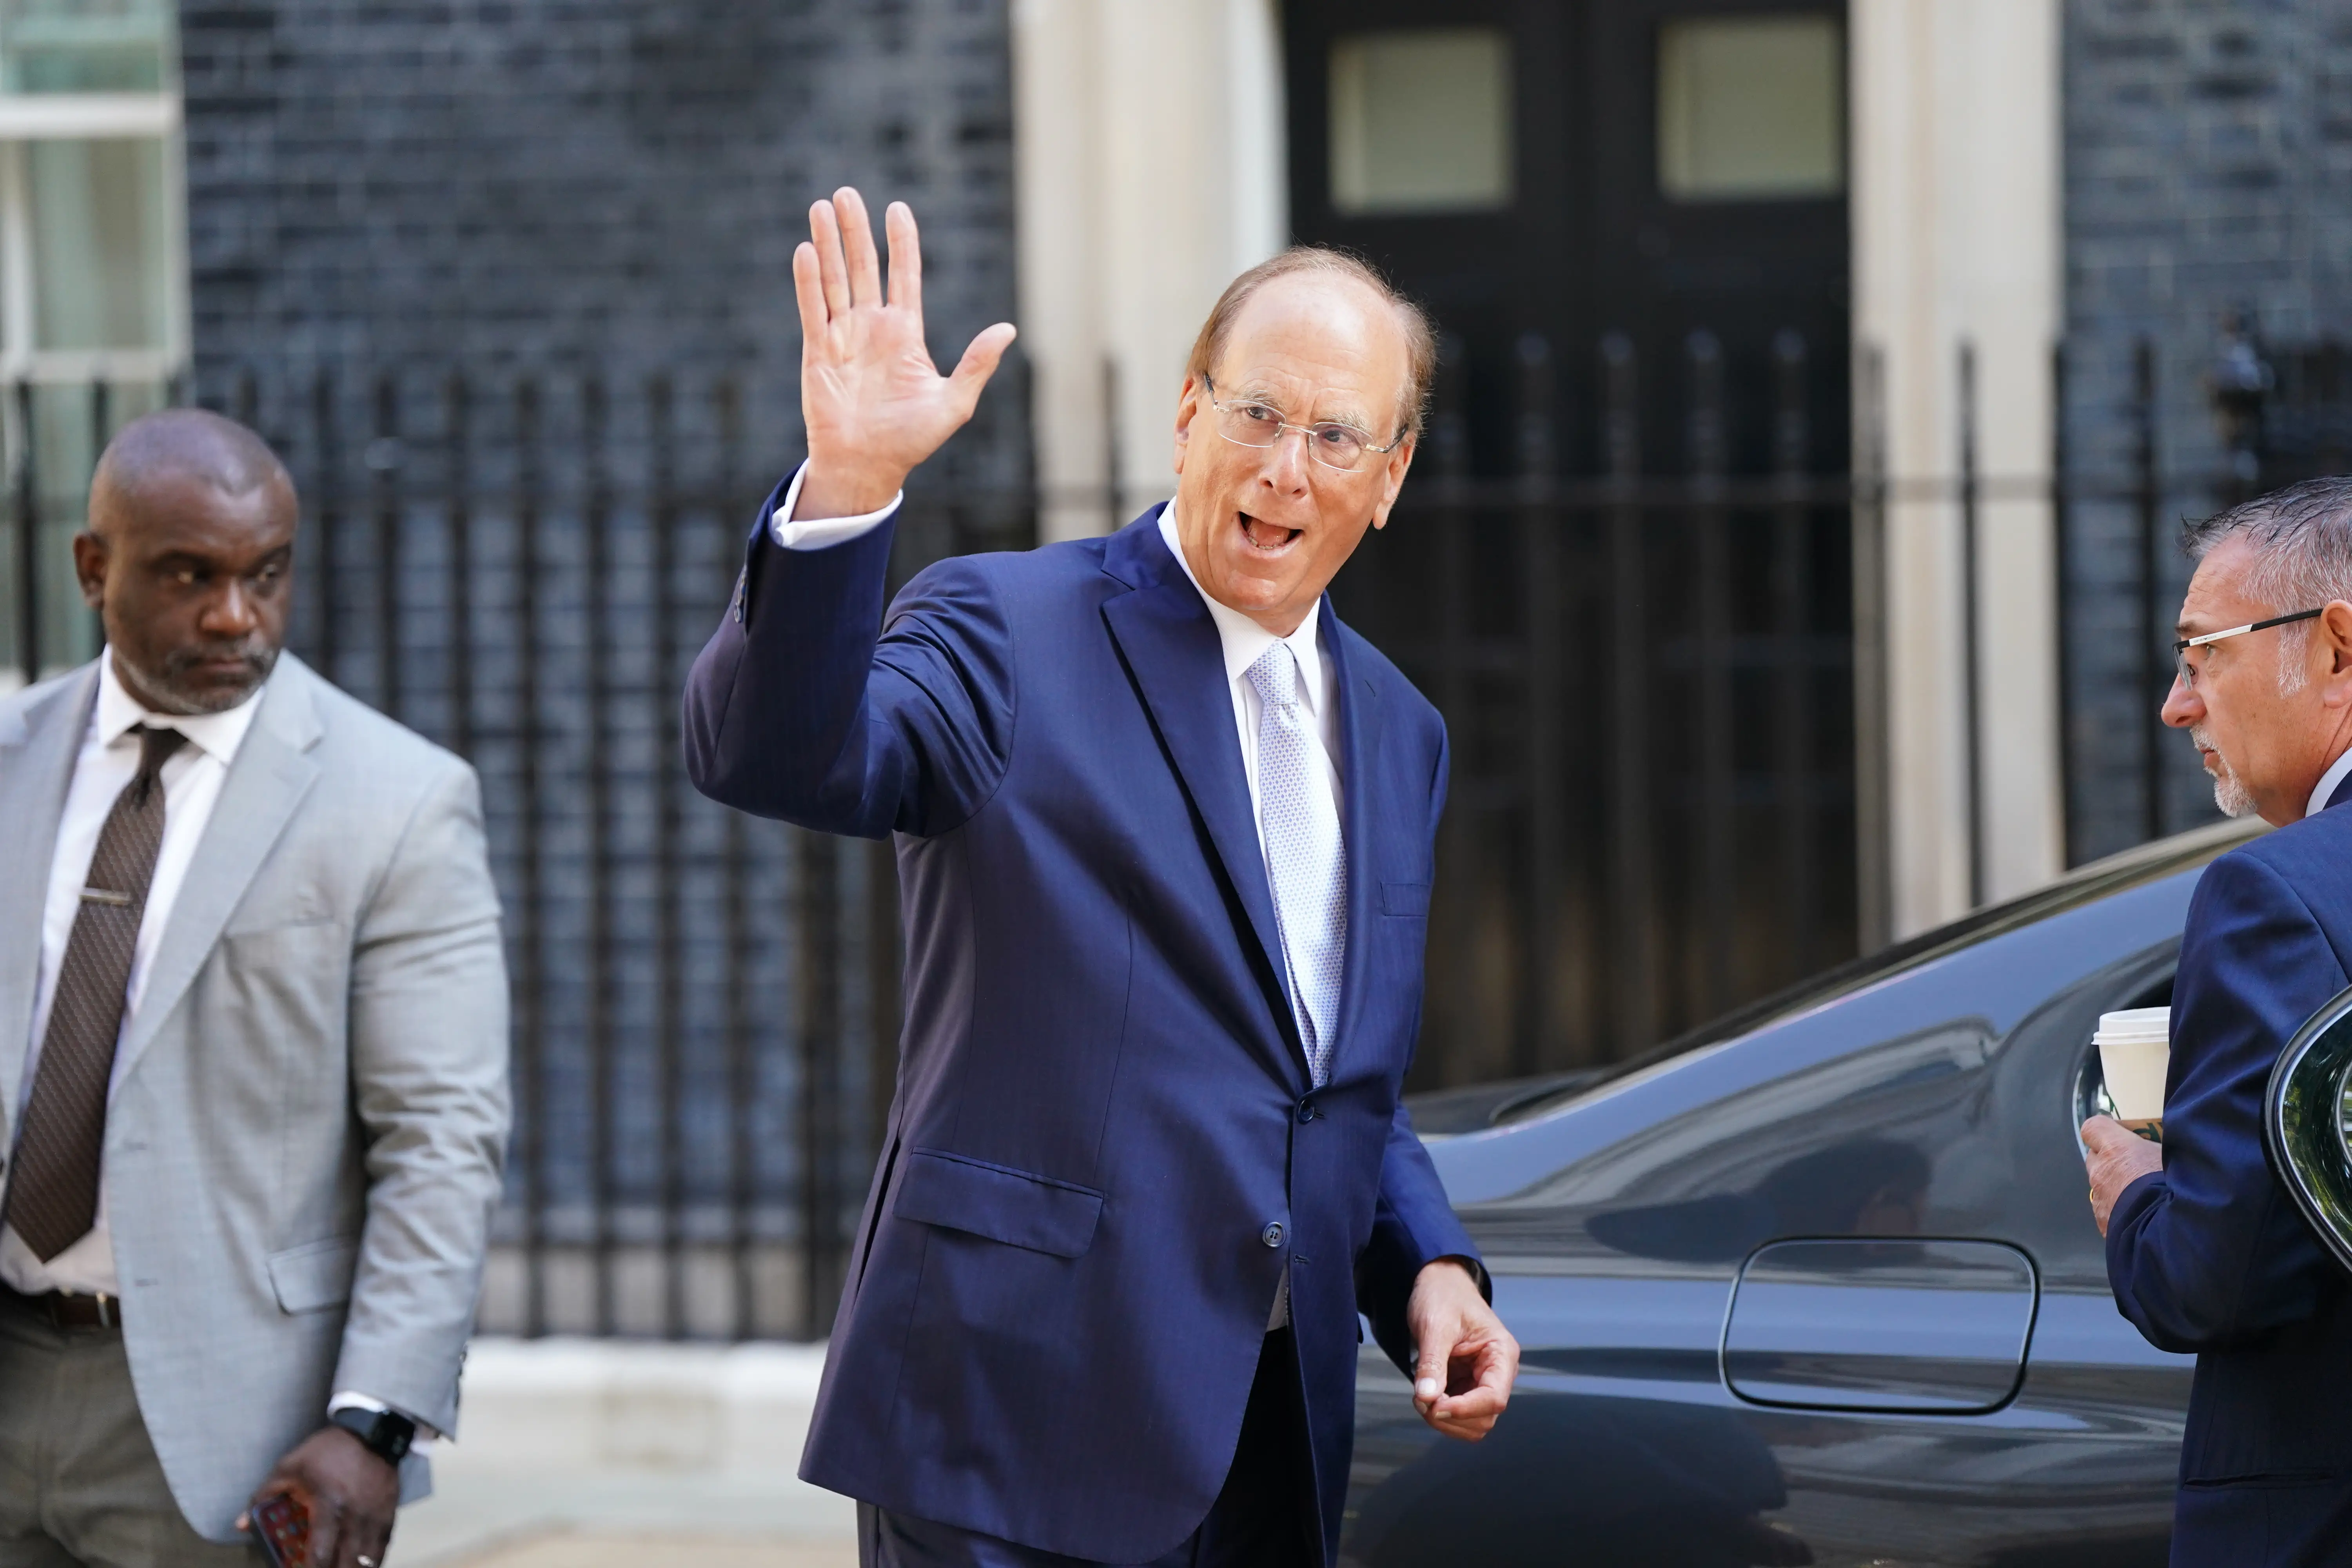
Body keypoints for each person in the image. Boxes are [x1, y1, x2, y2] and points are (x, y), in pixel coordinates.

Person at [684, 189, 1518, 1567]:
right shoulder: (1005, 628)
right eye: (1257, 413)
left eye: (1334, 437)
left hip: (1264, 1440)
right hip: (1010, 1429)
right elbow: (777, 757)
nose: (1285, 470)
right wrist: (846, 493)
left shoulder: (1399, 729)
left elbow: (1318, 1066)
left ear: (1393, 475)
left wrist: (1427, 1265)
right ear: (1190, 411)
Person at [0, 410, 510, 1568]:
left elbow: (441, 1137)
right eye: (190, 576)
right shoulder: (12, 759)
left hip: (227, 1426)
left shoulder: (398, 801)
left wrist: (375, 1420)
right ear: (95, 568)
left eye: (265, 576)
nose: (237, 616)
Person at [2084, 475, 2352, 1565]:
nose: (2177, 703)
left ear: (2338, 647)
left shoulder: (2278, 895)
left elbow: (2216, 1277)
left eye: (2204, 654)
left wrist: (2138, 1200)